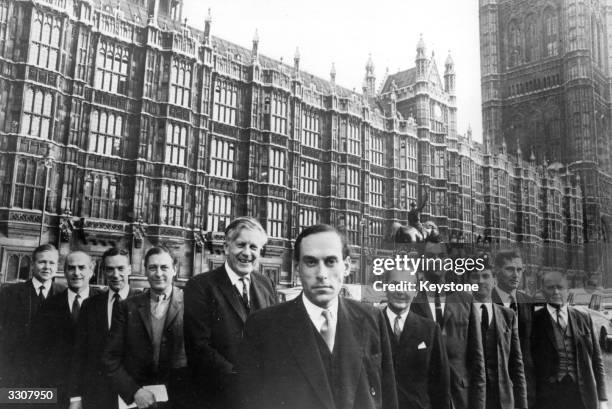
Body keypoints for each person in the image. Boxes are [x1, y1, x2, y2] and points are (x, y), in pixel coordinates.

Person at [236, 224, 398, 409]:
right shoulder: (263, 326)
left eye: (330, 262)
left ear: (346, 266)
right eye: (311, 262)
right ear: (297, 268)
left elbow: (388, 396)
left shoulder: (372, 318)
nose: (322, 274)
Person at [184, 217, 277, 408]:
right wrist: (240, 379)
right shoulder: (200, 286)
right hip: (219, 395)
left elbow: (275, 337)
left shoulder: (266, 284)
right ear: (226, 247)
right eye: (241, 245)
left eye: (253, 247)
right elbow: (199, 347)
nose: (247, 253)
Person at [103, 246, 190, 409]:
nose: (158, 273)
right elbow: (111, 358)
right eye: (152, 267)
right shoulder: (127, 307)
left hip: (180, 400)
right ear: (145, 271)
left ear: (174, 270)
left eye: (164, 267)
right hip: (139, 401)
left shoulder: (191, 303)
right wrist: (133, 391)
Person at [409, 241, 486, 409]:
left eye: (441, 256)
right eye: (430, 257)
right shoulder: (413, 303)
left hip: (460, 399)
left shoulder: (465, 301)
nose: (436, 260)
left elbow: (477, 360)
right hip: (426, 400)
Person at [69, 248, 139, 409]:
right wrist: (75, 397)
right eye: (110, 269)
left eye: (120, 269)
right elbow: (79, 353)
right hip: (97, 395)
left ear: (129, 269)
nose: (115, 275)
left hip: (133, 395)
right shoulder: (90, 305)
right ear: (103, 271)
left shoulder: (142, 303)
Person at [31, 251, 100, 407]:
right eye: (71, 268)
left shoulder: (103, 303)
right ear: (65, 271)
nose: (76, 273)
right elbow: (39, 353)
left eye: (82, 267)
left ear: (92, 271)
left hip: (93, 391)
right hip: (58, 392)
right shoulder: (48, 305)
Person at [531, 271, 608, 409]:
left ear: (567, 290)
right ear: (543, 291)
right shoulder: (533, 321)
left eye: (560, 287)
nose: (556, 292)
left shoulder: (584, 318)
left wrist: (602, 398)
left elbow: (597, 360)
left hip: (582, 396)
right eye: (550, 288)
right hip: (548, 398)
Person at [384, 267, 450, 409]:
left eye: (407, 286)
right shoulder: (370, 325)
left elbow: (441, 384)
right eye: (395, 284)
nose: (401, 291)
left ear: (415, 291)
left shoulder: (430, 329)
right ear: (385, 287)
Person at [0, 244, 65, 387]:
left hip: (51, 374)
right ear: (32, 265)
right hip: (17, 372)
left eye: (51, 263)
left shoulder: (64, 294)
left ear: (57, 266)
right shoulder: (10, 293)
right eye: (42, 262)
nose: (47, 267)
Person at [468, 264, 527, 409]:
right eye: (475, 277)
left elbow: (516, 364)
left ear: (494, 280)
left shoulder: (508, 315)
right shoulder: (461, 314)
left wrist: (522, 403)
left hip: (503, 400)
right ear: (468, 283)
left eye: (485, 276)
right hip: (472, 399)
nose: (480, 281)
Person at [491, 249, 534, 407]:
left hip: (526, 387)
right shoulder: (486, 301)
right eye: (509, 269)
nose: (516, 275)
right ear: (496, 271)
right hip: (496, 387)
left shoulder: (528, 301)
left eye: (519, 269)